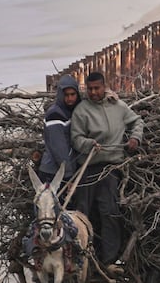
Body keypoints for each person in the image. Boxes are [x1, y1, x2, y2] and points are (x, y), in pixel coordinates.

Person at [69, 72, 142, 272]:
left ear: (104, 87)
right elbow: (76, 138)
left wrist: (135, 138)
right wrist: (89, 144)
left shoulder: (118, 107)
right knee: (82, 213)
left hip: (110, 169)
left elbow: (137, 122)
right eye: (89, 89)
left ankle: (108, 260)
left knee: (109, 211)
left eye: (97, 88)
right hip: (88, 168)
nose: (93, 92)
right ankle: (81, 259)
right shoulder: (81, 111)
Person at [36, 75, 81, 183]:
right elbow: (59, 148)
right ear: (60, 95)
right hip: (53, 173)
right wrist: (68, 175)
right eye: (66, 95)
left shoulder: (71, 111)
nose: (70, 98)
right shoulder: (55, 114)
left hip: (64, 170)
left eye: (73, 94)